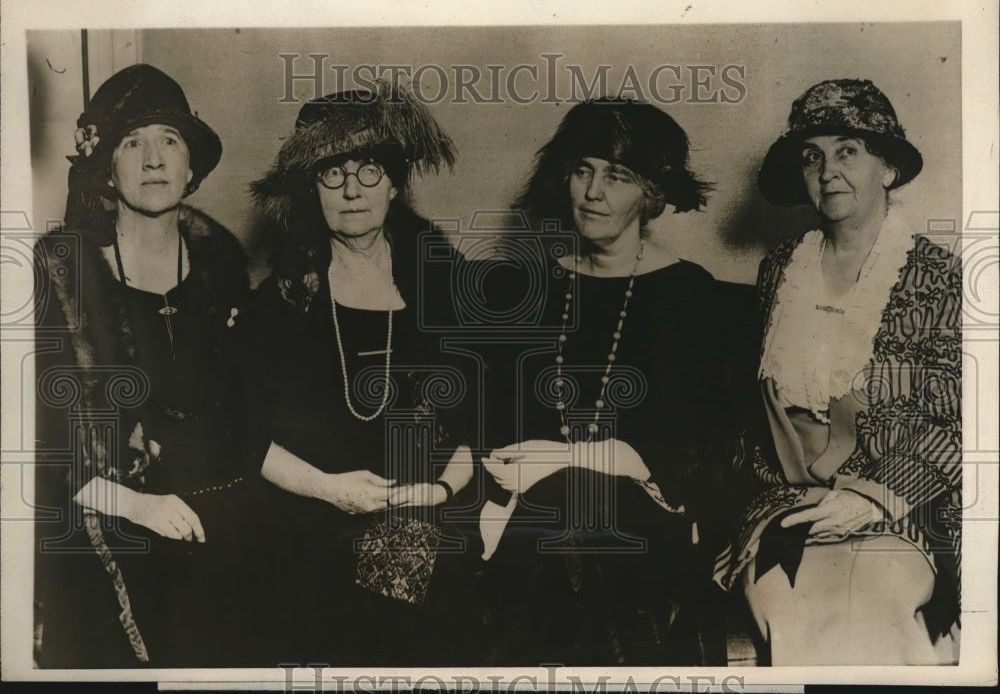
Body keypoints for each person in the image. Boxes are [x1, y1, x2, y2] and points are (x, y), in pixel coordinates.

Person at [714, 79, 962, 665]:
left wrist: (876, 499)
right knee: (787, 599)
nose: (828, 171)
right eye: (813, 157)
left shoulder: (939, 274)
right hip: (786, 501)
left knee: (874, 602)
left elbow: (962, 420)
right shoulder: (780, 270)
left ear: (888, 169)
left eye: (848, 150)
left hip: (903, 506)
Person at [479, 97, 729, 666]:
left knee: (582, 517)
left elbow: (702, 448)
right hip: (531, 513)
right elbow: (497, 426)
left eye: (617, 175)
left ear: (653, 193)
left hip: (641, 521)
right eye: (582, 170)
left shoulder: (692, 296)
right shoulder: (524, 292)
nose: (592, 192)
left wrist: (585, 461)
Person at [34, 64, 265, 667]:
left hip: (223, 519)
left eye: (170, 140)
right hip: (113, 524)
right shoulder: (67, 277)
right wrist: (137, 506)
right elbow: (50, 443)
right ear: (107, 168)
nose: (154, 159)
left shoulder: (222, 269)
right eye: (131, 143)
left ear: (192, 168)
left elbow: (247, 416)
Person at [248, 80, 477, 666]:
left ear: (395, 183)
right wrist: (331, 489)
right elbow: (243, 435)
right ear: (311, 188)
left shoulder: (445, 286)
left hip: (432, 510)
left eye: (369, 169)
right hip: (314, 516)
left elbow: (482, 416)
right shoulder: (276, 305)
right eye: (332, 173)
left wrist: (443, 489)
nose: (352, 190)